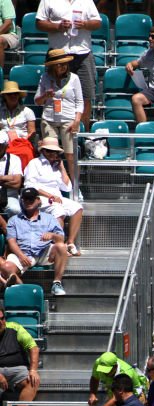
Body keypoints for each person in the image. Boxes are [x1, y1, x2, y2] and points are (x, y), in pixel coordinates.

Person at [35, 0, 100, 127]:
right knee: (53, 94)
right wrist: (57, 26)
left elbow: (97, 22)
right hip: (58, 53)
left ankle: (83, 135)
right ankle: (55, 133)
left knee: (86, 96)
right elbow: (39, 23)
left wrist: (85, 24)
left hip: (82, 53)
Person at [23, 137, 82, 256]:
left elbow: (67, 187)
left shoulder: (56, 166)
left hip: (57, 198)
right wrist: (50, 196)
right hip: (40, 198)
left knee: (77, 207)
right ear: (43, 151)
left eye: (55, 151)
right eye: (49, 151)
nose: (52, 154)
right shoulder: (34, 163)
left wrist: (62, 168)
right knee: (58, 210)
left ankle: (70, 242)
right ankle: (59, 245)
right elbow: (30, 186)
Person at [5, 187, 69, 296]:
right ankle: (26, 292)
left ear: (38, 200)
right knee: (6, 267)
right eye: (25, 199)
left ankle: (57, 283)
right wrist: (20, 255)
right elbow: (11, 242)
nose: (28, 202)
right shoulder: (14, 220)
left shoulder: (49, 218)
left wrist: (52, 235)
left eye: (31, 199)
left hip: (44, 252)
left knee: (61, 247)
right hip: (23, 252)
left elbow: (61, 238)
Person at [34, 50, 82, 184]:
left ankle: (75, 186)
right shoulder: (45, 77)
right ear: (52, 66)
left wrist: (77, 120)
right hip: (49, 119)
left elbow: (80, 102)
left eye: (64, 64)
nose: (61, 67)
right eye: (58, 64)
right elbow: (37, 101)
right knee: (50, 154)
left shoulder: (74, 78)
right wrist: (45, 96)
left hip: (68, 119)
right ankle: (52, 184)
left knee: (70, 155)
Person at [0, 306, 40, 406]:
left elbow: (33, 347)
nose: (1, 322)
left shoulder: (15, 327)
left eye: (2, 318)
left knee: (33, 381)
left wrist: (33, 370)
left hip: (18, 368)